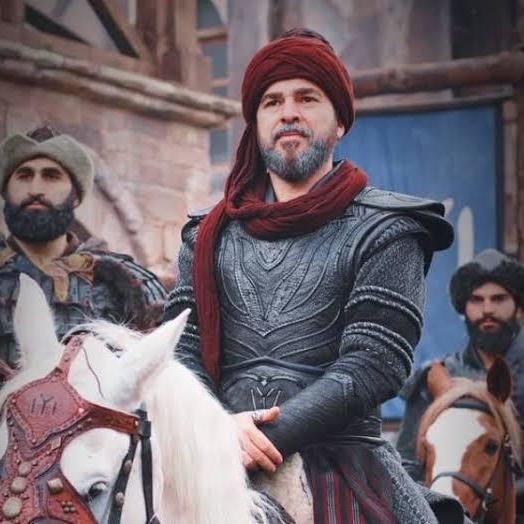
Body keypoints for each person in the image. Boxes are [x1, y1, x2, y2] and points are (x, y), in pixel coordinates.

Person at [164, 28, 467, 524]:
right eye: (272, 102)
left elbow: (373, 364)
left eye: (307, 98)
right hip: (212, 461)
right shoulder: (206, 236)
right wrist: (216, 432)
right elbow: (180, 352)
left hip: (345, 467)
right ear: (256, 123)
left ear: (340, 121)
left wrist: (255, 441)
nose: (288, 112)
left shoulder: (389, 228)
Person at [0, 126, 167, 380]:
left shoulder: (128, 280)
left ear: (75, 196)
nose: (35, 188)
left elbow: (159, 379)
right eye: (24, 176)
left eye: (51, 176)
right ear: (6, 191)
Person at [396, 248, 524, 508]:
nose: (487, 309)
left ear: (518, 306)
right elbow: (407, 466)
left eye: (498, 299)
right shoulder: (437, 378)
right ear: (464, 308)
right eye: (476, 300)